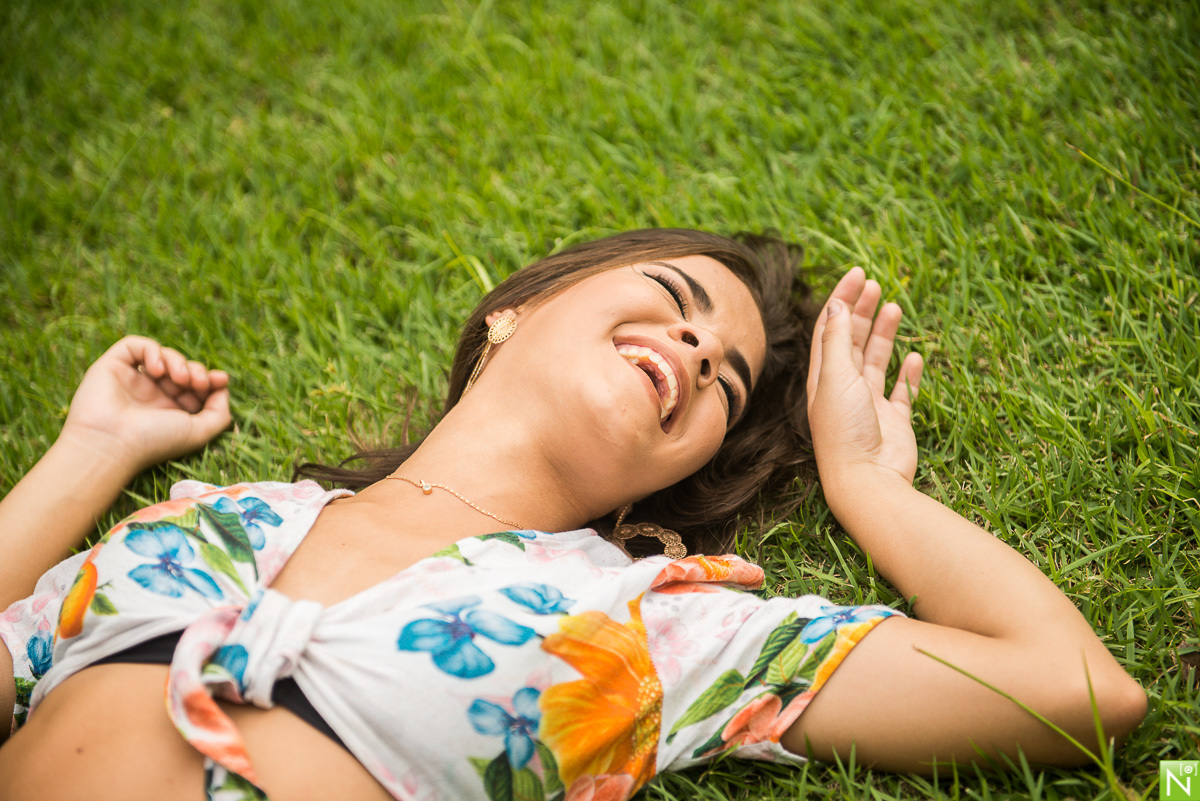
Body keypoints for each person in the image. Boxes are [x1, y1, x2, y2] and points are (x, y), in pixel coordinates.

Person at [0, 229, 1146, 800]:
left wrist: (865, 487)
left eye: (728, 384)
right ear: (518, 311)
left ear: (670, 472)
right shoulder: (206, 523)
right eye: (679, 304)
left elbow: (1079, 693)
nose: (698, 351)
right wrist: (93, 451)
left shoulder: (643, 628)